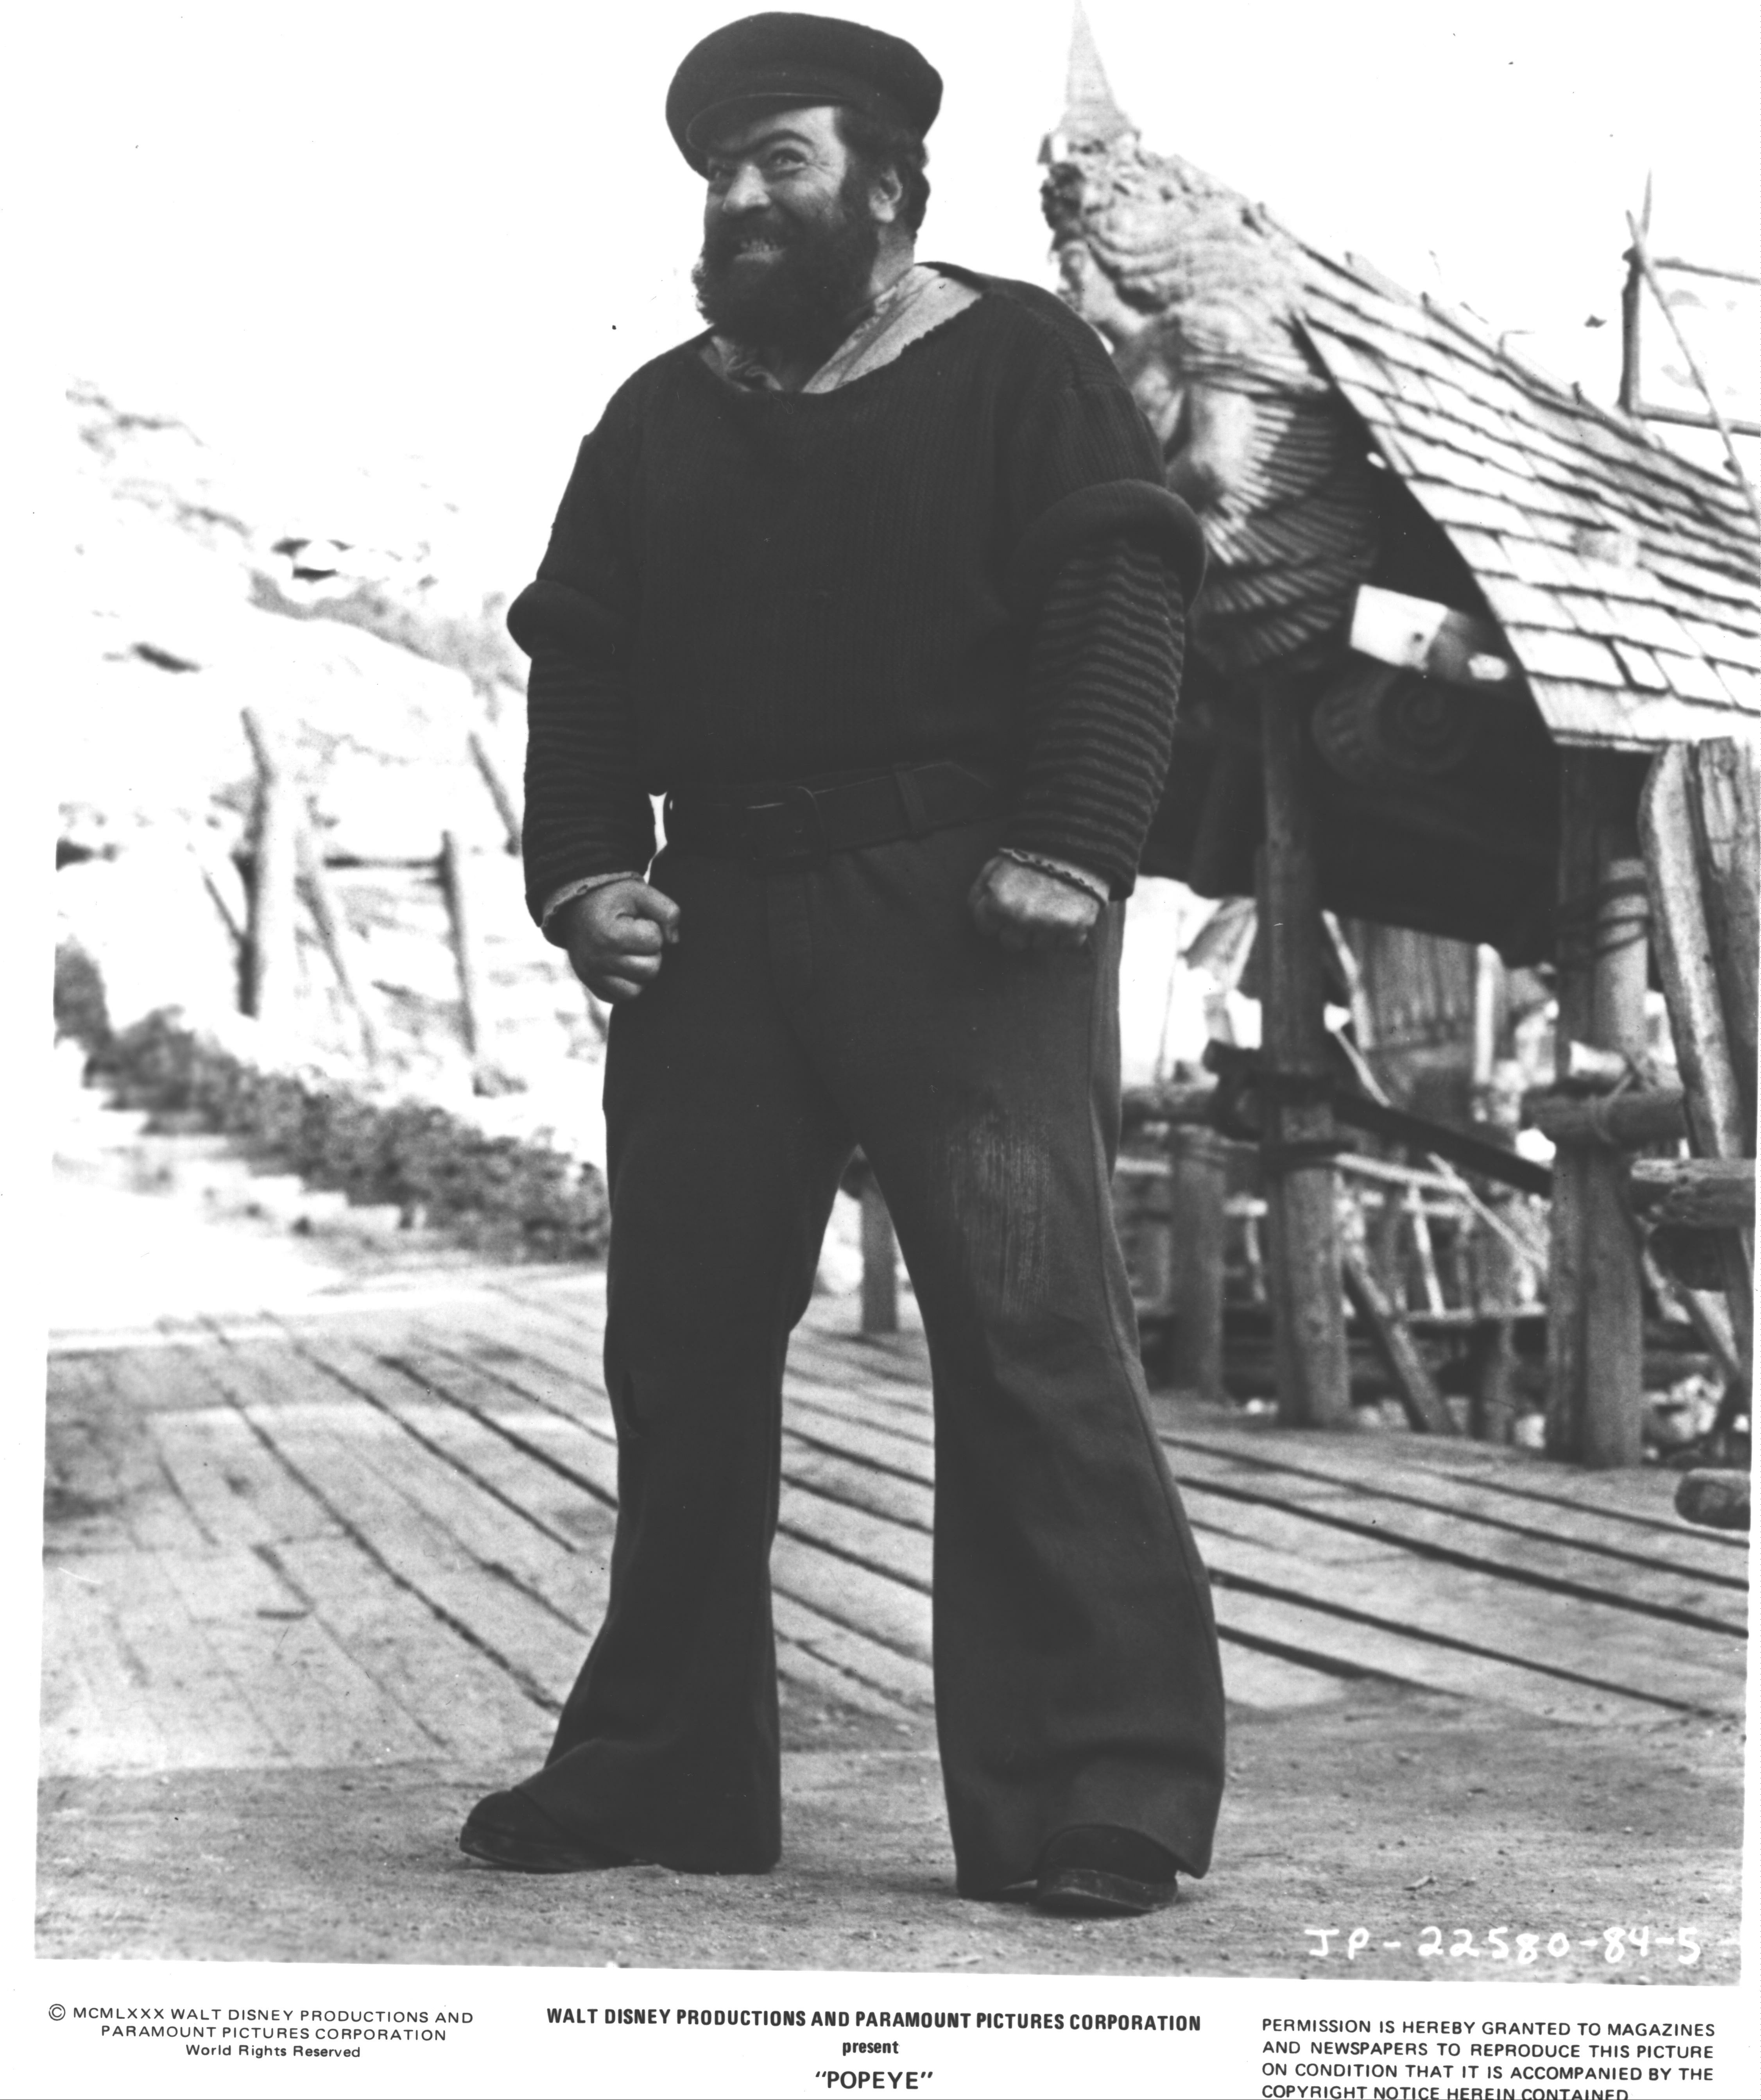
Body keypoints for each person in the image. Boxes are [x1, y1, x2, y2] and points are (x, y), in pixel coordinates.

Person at [460, 9, 1225, 1919]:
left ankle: (1096, 1792)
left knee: (1027, 1331)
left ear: (886, 188)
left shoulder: (1019, 361)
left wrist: (1070, 842)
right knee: (680, 1347)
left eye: (779, 162)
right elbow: (582, 659)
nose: (738, 199)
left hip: (963, 903)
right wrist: (582, 878)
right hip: (713, 916)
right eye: (721, 172)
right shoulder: (657, 414)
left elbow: (1121, 586)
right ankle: (659, 1771)